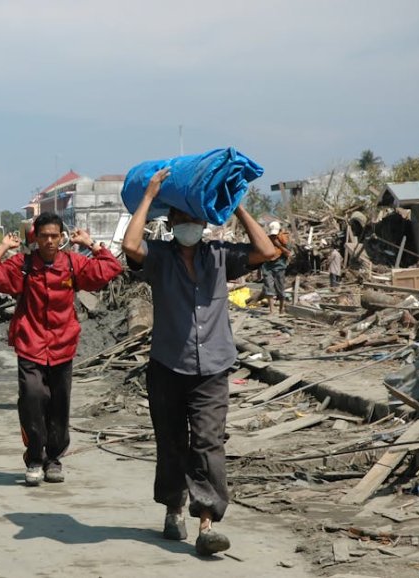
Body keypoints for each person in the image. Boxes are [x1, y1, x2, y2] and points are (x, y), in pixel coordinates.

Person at [122, 168, 276, 556]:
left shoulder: (221, 257)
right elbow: (130, 245)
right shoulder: (159, 258)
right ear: (170, 222)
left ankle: (207, 522)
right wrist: (149, 195)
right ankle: (174, 507)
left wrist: (236, 206)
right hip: (168, 367)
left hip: (213, 368)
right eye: (182, 219)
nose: (189, 226)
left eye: (195, 219)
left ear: (205, 223)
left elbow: (267, 251)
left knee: (208, 444)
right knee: (172, 443)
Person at [0, 212, 123, 486]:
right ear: (36, 238)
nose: (50, 241)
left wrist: (92, 245)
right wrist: (3, 248)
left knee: (59, 405)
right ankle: (34, 458)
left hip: (62, 346)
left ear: (62, 237)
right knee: (31, 398)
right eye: (44, 236)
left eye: (55, 236)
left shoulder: (73, 264)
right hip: (30, 344)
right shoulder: (23, 265)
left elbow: (110, 268)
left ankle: (53, 459)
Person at [261, 221, 291, 314]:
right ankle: (271, 310)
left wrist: (278, 245)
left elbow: (288, 252)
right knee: (268, 287)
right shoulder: (266, 239)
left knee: (280, 287)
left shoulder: (284, 239)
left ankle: (281, 309)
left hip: (279, 264)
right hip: (267, 265)